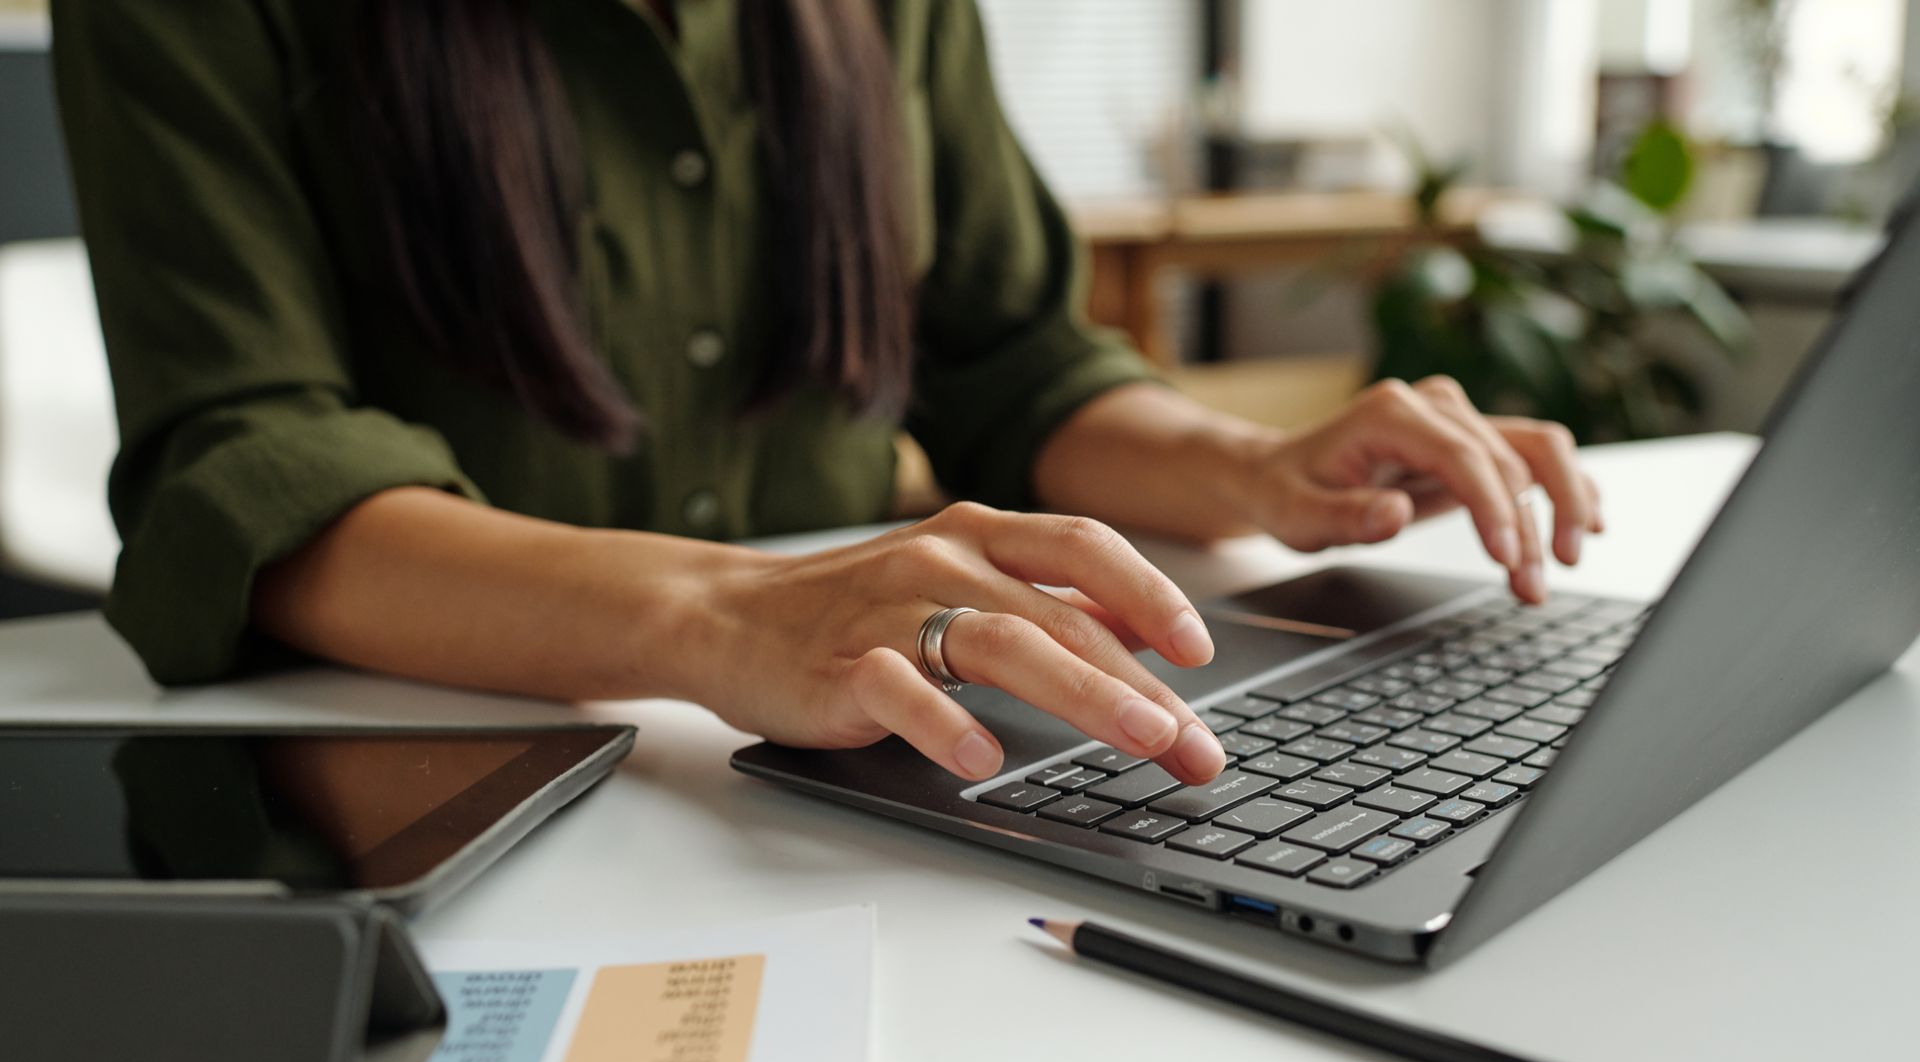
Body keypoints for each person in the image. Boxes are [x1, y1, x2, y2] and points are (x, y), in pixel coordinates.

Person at [54, 0, 1601, 791]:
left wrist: (1256, 468)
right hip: (419, 790)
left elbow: (1012, 355)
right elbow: (250, 472)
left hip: (836, 783)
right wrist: (724, 617)